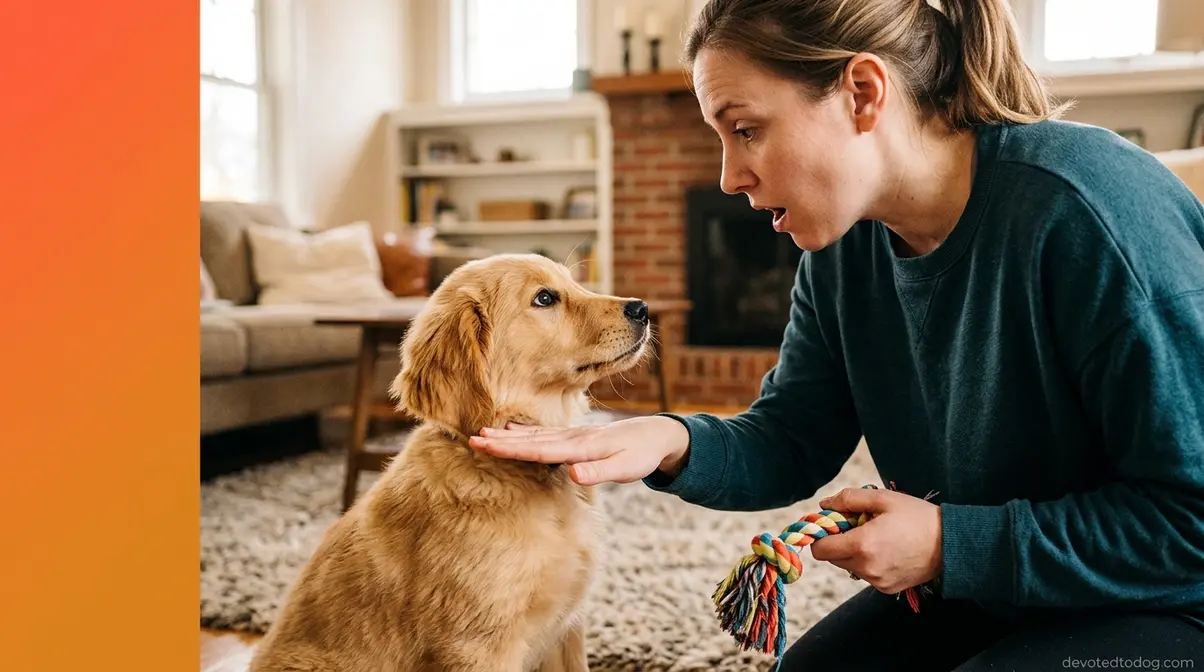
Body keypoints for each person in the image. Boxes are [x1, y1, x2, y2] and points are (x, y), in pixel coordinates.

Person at [469, 0, 1204, 668]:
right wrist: (669, 438)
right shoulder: (846, 246)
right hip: (998, 586)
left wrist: (950, 543)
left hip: (1169, 603)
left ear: (863, 92)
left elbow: (1191, 523)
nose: (729, 177)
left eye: (747, 129)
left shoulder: (1091, 215)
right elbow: (794, 436)